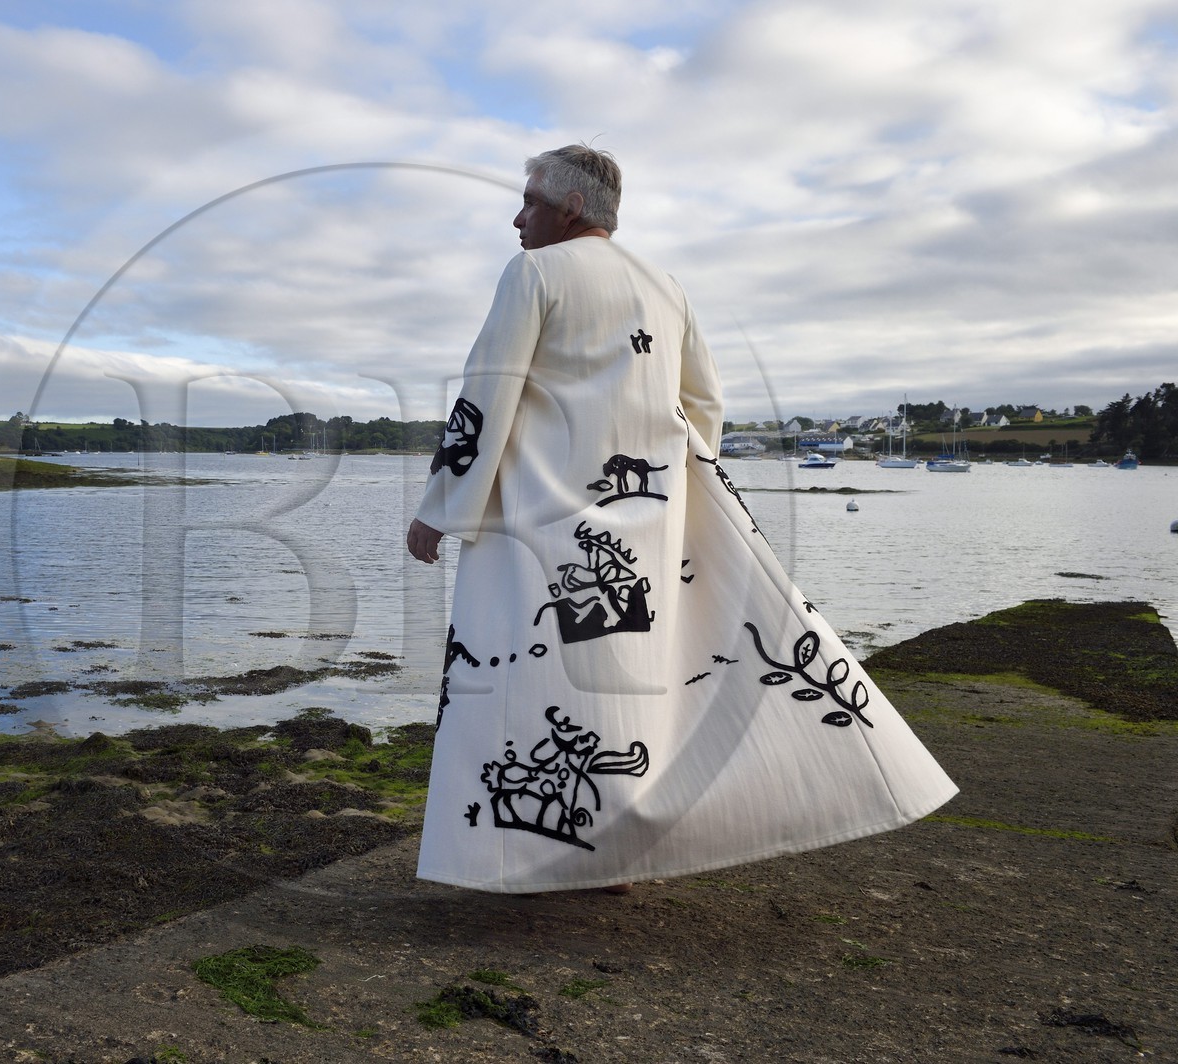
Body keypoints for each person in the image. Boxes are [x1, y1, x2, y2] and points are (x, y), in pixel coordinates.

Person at [406, 145, 956, 894]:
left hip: (539, 523)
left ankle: (539, 860)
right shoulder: (666, 287)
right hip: (644, 527)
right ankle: (619, 856)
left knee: (529, 679)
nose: (517, 215)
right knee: (630, 688)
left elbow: (488, 394)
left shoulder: (533, 273)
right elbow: (703, 405)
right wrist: (679, 494)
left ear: (569, 209)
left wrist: (441, 510)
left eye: (529, 200)